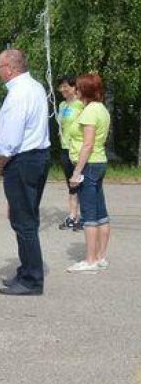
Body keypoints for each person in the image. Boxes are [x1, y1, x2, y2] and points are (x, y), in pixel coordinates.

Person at [0, 49, 50, 296]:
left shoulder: (18, 94)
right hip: (38, 157)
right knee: (27, 217)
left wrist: (0, 163)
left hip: (22, 160)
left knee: (23, 220)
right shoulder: (35, 87)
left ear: (11, 68)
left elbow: (11, 139)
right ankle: (27, 268)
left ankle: (32, 278)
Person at [66, 73, 112, 274]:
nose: (74, 90)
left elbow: (88, 144)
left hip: (89, 164)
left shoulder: (89, 112)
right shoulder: (101, 109)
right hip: (99, 161)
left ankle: (90, 259)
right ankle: (101, 256)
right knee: (101, 212)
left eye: (77, 88)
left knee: (89, 214)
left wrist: (77, 172)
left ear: (82, 90)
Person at [56, 76, 84, 230]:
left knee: (81, 183)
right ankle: (72, 216)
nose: (63, 89)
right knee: (71, 184)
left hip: (78, 150)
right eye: (61, 87)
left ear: (75, 87)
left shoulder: (81, 104)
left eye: (66, 86)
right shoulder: (61, 105)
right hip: (65, 148)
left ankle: (86, 217)